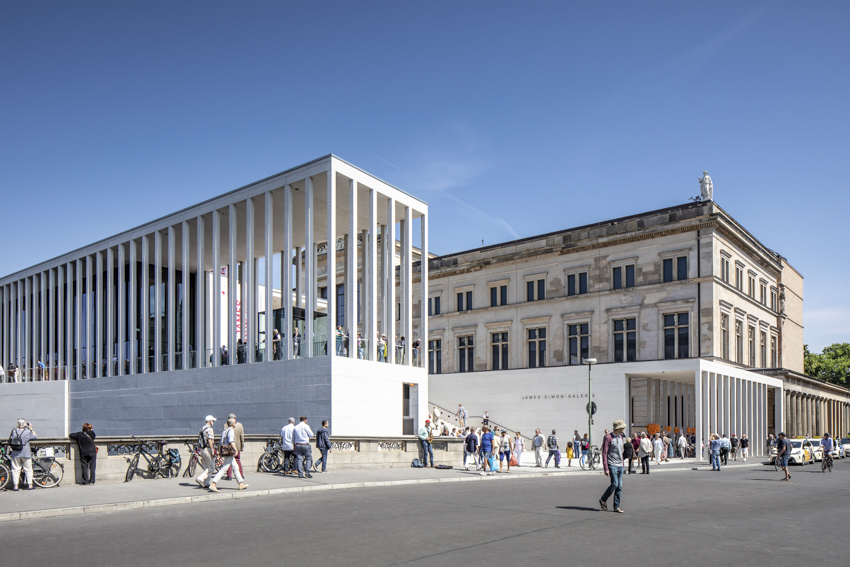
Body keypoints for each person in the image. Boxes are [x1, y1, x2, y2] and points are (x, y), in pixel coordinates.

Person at [209, 418, 249, 491]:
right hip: (229, 452)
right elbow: (231, 441)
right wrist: (235, 449)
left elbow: (221, 443)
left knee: (235, 467)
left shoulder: (225, 431)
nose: (236, 423)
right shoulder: (231, 431)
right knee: (224, 469)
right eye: (235, 422)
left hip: (225, 451)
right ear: (233, 423)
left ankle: (240, 484)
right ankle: (213, 484)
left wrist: (219, 454)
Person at [599, 420, 627, 514]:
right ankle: (603, 499)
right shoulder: (608, 437)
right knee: (614, 484)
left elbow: (620, 451)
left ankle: (616, 507)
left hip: (620, 465)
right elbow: (604, 453)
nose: (624, 428)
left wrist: (622, 463)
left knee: (619, 487)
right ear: (618, 428)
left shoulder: (621, 437)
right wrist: (606, 468)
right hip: (612, 464)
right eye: (623, 427)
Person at [8, 418, 37, 490]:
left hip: (15, 452)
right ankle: (30, 485)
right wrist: (31, 428)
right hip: (26, 452)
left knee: (15, 469)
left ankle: (15, 486)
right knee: (28, 469)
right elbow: (35, 437)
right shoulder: (27, 432)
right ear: (25, 424)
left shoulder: (14, 431)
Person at [195, 415, 218, 488]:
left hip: (202, 449)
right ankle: (200, 478)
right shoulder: (209, 429)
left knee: (206, 467)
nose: (213, 422)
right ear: (210, 421)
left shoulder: (202, 428)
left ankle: (206, 483)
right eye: (213, 421)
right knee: (212, 467)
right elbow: (210, 440)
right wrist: (212, 450)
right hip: (207, 449)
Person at [225, 413, 245, 481]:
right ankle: (241, 474)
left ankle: (229, 475)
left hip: (229, 446)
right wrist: (242, 446)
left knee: (228, 460)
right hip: (237, 445)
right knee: (237, 460)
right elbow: (242, 436)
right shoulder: (240, 425)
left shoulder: (226, 425)